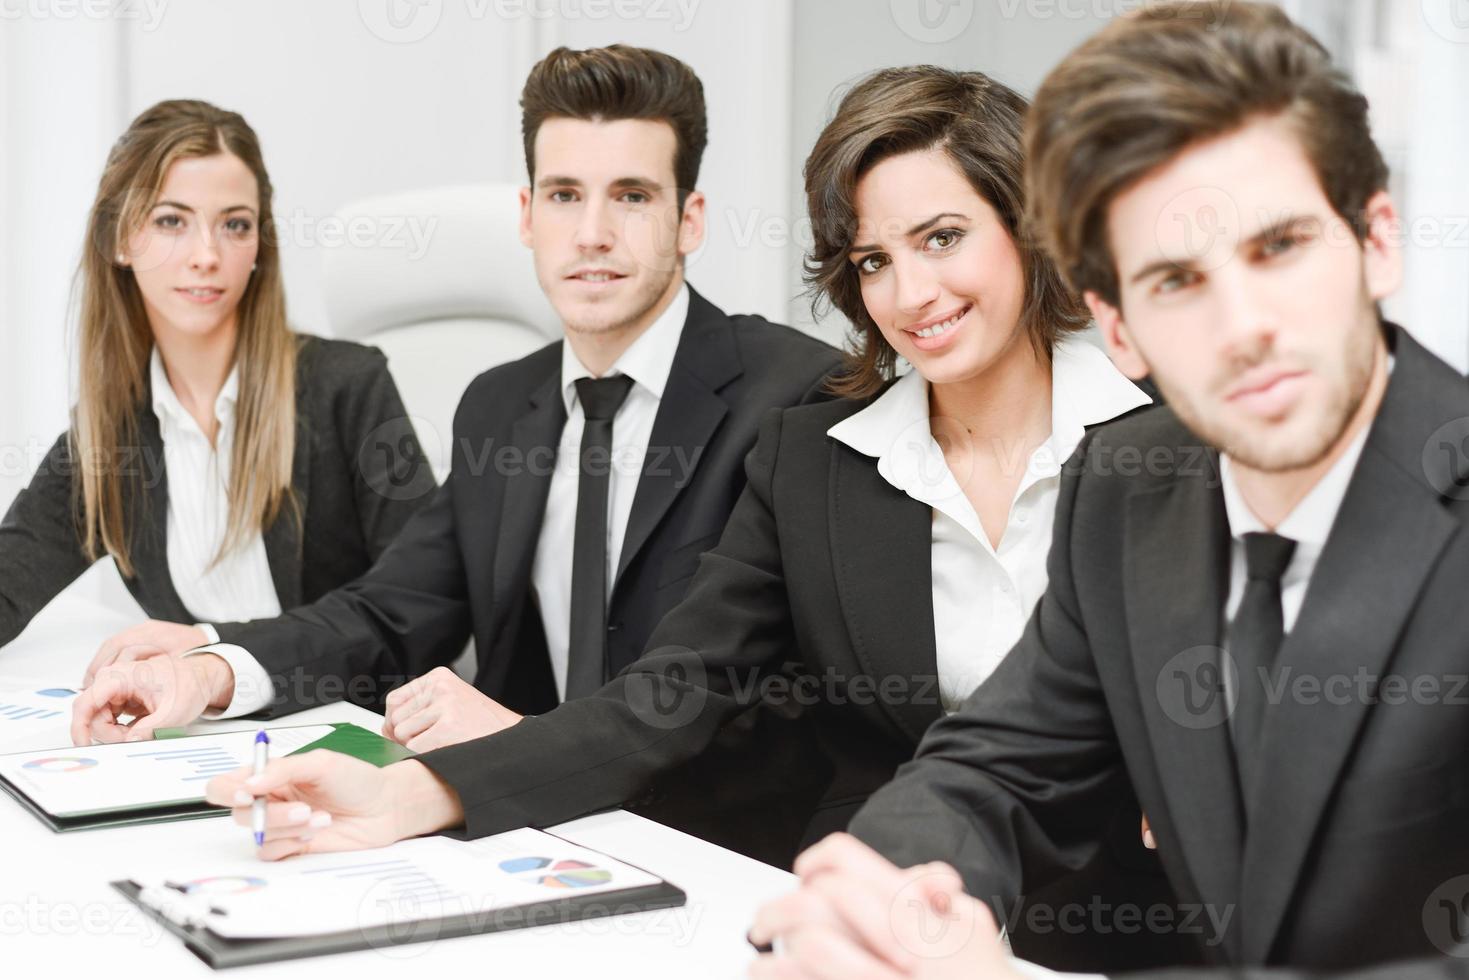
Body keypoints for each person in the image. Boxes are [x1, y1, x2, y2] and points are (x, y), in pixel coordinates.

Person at [202, 65, 1200, 972]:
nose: (912, 292)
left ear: (1026, 225)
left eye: (942, 238)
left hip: (1146, 920)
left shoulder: (1183, 442)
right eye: (872, 259)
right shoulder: (819, 461)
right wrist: (417, 792)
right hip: (883, 906)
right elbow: (666, 692)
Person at [747, 3, 1469, 978]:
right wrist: (883, 897)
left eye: (1277, 247)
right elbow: (995, 768)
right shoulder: (1127, 493)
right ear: (1117, 327)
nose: (1241, 323)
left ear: (1376, 238)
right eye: (1173, 280)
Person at [75, 46, 842, 831]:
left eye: (633, 197)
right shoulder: (500, 407)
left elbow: (781, 705)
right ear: (526, 216)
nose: (592, 233)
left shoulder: (793, 397)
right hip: (518, 835)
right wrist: (206, 674)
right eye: (563, 195)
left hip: (706, 849)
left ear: (690, 220)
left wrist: (535, 746)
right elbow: (387, 612)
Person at [0, 99, 435, 744]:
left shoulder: (346, 386)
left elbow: (420, 607)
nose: (207, 255)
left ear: (259, 244)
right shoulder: (109, 437)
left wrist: (213, 655)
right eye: (172, 220)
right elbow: (10, 578)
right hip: (205, 744)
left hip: (358, 733)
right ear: (122, 239)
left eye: (234, 225)